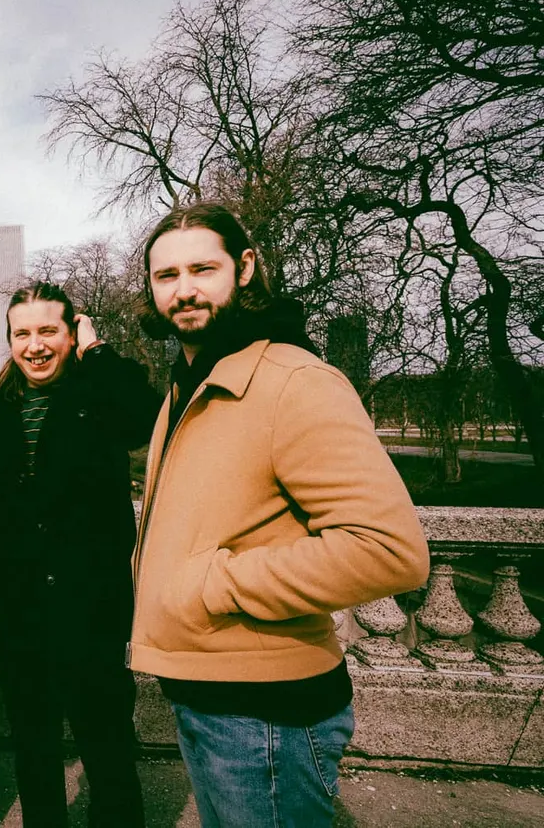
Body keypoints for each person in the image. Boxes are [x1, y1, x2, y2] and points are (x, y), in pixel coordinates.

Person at [128, 201, 429, 828]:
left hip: (266, 715)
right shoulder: (188, 387)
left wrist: (211, 585)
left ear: (244, 268)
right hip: (206, 693)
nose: (184, 291)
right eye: (166, 276)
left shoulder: (294, 380)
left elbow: (389, 549)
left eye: (202, 270)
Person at [0, 282, 159, 827]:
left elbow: (150, 418)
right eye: (22, 333)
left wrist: (97, 350)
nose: (34, 345)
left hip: (95, 603)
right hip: (20, 607)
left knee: (105, 736)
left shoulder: (98, 396)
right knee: (33, 743)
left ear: (71, 332)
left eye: (48, 331)